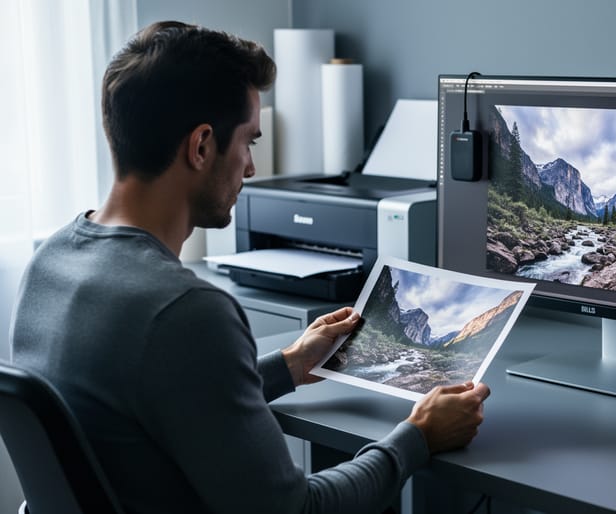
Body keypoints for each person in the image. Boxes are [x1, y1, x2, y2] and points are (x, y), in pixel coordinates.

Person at [10, 20, 490, 514]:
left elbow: (167, 401)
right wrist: (417, 436)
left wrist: (290, 366)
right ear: (201, 147)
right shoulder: (185, 311)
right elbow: (298, 511)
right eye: (249, 143)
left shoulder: (49, 261)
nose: (252, 167)